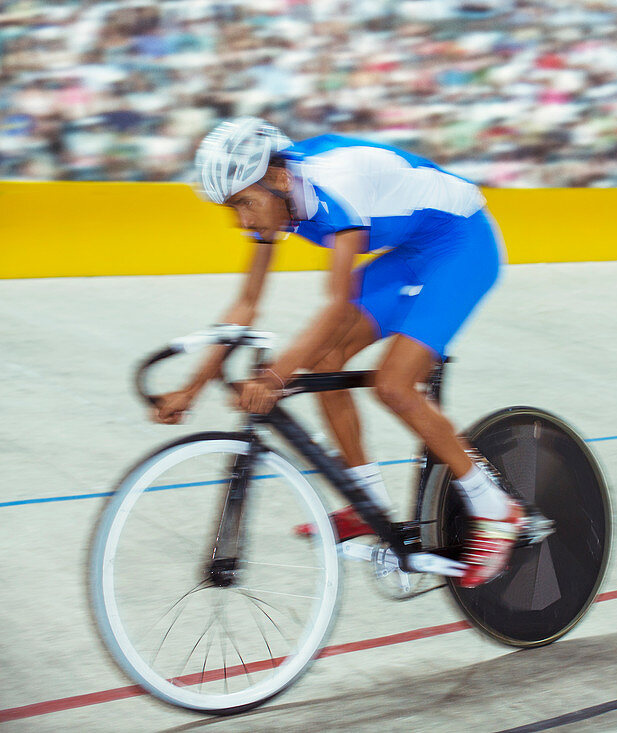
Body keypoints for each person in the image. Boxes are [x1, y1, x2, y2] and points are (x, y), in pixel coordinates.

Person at [152, 116, 522, 587]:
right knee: (324, 359)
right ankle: (366, 503)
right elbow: (247, 305)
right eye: (233, 210)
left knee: (393, 385)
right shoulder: (276, 196)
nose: (244, 221)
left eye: (246, 204)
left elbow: (335, 305)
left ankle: (495, 509)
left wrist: (274, 377)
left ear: (280, 178)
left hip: (463, 242)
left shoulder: (336, 183)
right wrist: (192, 388)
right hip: (412, 248)